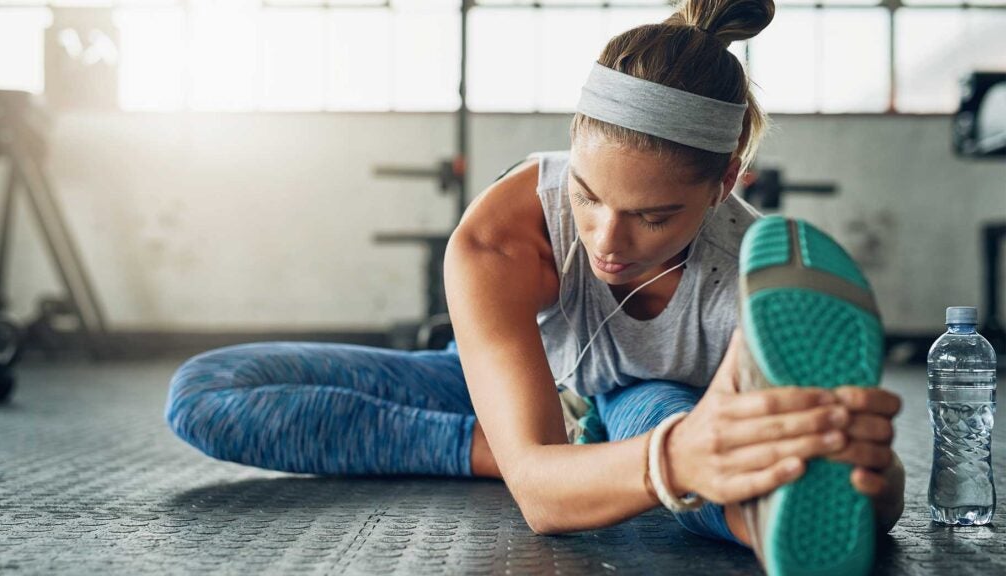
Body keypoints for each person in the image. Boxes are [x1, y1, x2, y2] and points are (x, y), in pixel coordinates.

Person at [164, 0, 905, 573]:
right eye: (586, 195)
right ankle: (516, 449)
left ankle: (749, 521)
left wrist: (872, 479)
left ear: (724, 181)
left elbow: (849, 478)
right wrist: (540, 461)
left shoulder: (753, 276)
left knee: (662, 414)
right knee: (206, 392)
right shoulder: (500, 233)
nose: (608, 243)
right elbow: (545, 503)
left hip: (654, 411)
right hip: (511, 390)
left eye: (653, 216)